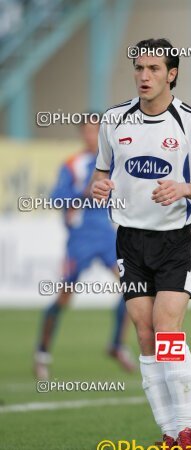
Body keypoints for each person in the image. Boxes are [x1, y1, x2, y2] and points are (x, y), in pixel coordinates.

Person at [91, 38, 191, 450]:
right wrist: (99, 186)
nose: (144, 76)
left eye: (154, 69)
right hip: (130, 238)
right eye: (139, 68)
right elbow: (102, 172)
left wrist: (182, 187)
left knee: (167, 331)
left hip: (176, 239)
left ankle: (188, 434)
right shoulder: (113, 120)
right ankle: (168, 436)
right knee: (145, 335)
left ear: (172, 73)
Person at [34, 116, 136, 380]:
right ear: (82, 134)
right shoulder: (73, 164)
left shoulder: (114, 163)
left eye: (96, 131)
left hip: (106, 236)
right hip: (79, 239)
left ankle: (116, 344)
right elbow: (56, 197)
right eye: (88, 131)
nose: (92, 135)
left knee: (131, 288)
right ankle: (42, 353)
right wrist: (83, 194)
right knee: (64, 297)